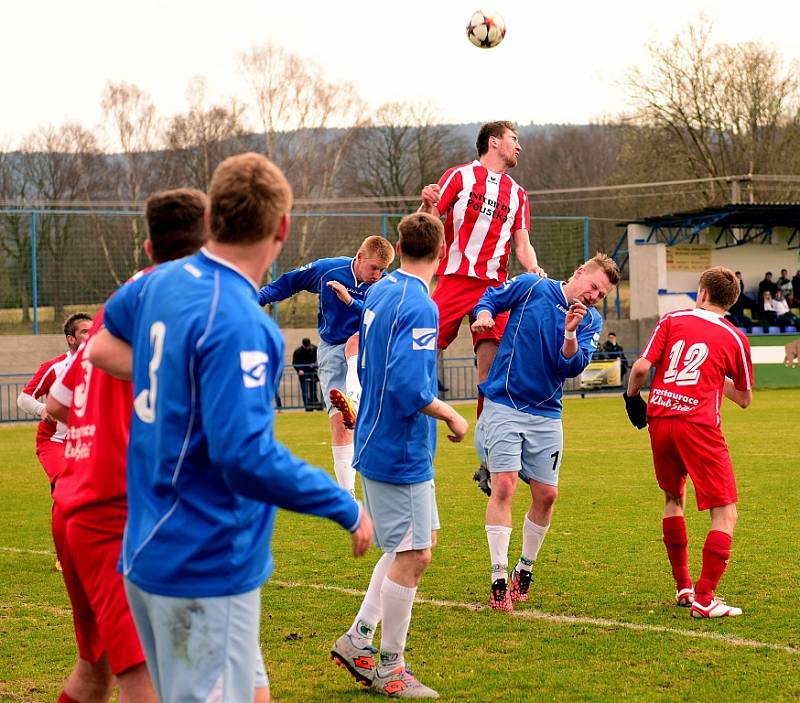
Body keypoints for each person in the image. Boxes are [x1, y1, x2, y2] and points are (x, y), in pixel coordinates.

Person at [88, 153, 373, 703]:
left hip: (147, 546)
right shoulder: (241, 320)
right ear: (282, 229)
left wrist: (176, 374)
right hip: (203, 559)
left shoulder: (161, 280)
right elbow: (246, 457)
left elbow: (103, 340)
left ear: (214, 214)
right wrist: (344, 506)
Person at [44, 189, 208, 703]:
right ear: (208, 241)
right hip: (117, 515)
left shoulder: (119, 301)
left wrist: (109, 421)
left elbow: (56, 403)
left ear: (146, 245)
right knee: (147, 677)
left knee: (97, 671)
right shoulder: (181, 298)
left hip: (75, 507)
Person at [331, 212, 468, 699]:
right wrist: (452, 415)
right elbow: (411, 387)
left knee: (413, 539)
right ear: (443, 251)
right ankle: (389, 667)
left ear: (399, 246)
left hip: (375, 435)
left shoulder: (383, 289)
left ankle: (358, 636)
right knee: (414, 554)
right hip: (399, 446)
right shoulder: (419, 303)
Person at [470, 254, 619, 610]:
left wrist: (569, 331)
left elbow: (571, 366)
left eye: (601, 294)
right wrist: (485, 315)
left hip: (547, 413)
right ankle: (498, 577)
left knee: (547, 495)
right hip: (505, 403)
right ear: (579, 271)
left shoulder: (590, 321)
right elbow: (490, 298)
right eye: (594, 286)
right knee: (504, 485)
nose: (594, 296)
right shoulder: (532, 285)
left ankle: (525, 569)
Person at [624, 266, 752, 618]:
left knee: (673, 497)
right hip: (698, 425)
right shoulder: (735, 338)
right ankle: (705, 598)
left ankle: (684, 587)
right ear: (731, 301)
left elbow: (639, 369)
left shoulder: (673, 319)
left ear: (702, 293)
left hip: (660, 419)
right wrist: (716, 379)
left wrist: (632, 398)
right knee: (726, 513)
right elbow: (743, 398)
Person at [419, 121, 544, 420]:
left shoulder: (518, 194)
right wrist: (426, 204)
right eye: (513, 138)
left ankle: (488, 456)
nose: (519, 146)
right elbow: (427, 222)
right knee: (421, 353)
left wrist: (534, 268)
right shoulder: (459, 176)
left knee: (490, 373)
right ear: (494, 142)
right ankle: (398, 417)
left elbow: (522, 244)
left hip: (493, 290)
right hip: (454, 280)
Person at [257, 236, 395, 495]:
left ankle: (353, 396)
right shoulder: (328, 269)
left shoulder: (385, 285)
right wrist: (259, 298)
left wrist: (350, 301)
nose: (378, 274)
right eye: (374, 267)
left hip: (367, 347)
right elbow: (290, 282)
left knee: (356, 339)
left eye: (383, 269)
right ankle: (348, 496)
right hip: (331, 349)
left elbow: (381, 319)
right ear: (360, 257)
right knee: (340, 425)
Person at [17, 313, 93, 492]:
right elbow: (23, 398)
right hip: (55, 441)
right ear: (71, 339)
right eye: (84, 332)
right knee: (66, 488)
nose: (91, 335)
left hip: (88, 441)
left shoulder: (104, 366)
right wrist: (42, 409)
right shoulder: (54, 367)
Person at [292, 337, 320, 410]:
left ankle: (315, 404)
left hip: (312, 372)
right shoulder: (297, 352)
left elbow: (319, 358)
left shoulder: (315, 349)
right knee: (305, 391)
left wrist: (315, 364)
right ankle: (307, 407)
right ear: (303, 345)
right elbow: (294, 363)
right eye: (306, 347)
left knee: (313, 390)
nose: (307, 348)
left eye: (308, 346)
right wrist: (299, 370)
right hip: (303, 374)